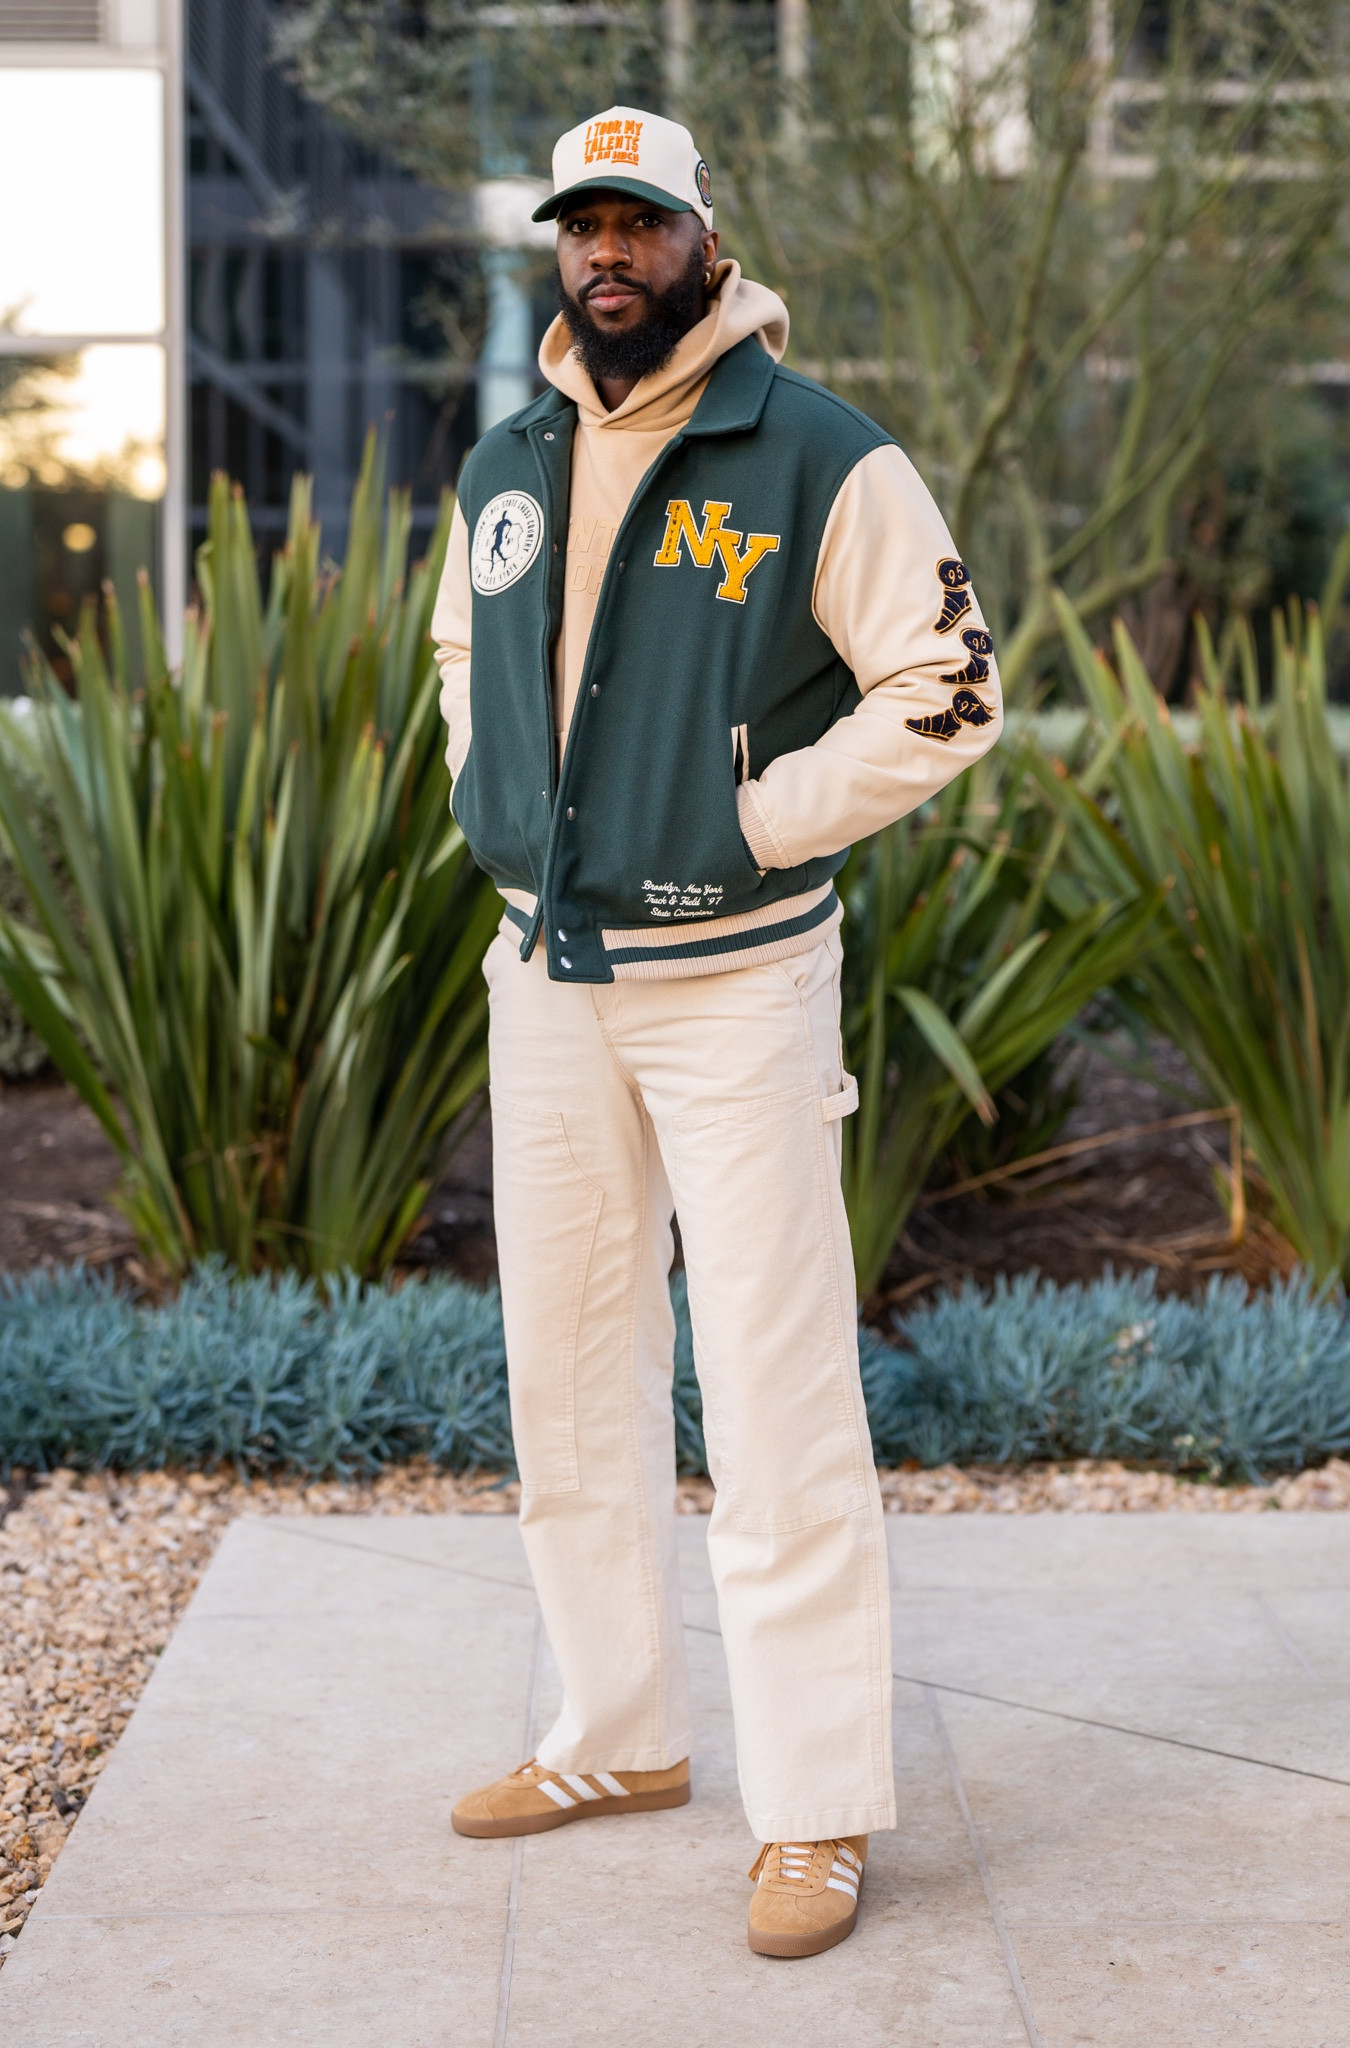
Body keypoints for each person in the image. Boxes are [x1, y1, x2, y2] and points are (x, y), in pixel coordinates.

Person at [432, 103, 1001, 1960]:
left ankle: (815, 1809)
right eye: (579, 224)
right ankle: (616, 1738)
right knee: (566, 1382)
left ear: (702, 236)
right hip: (546, 976)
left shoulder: (818, 451)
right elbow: (462, 656)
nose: (605, 252)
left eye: (638, 222)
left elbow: (948, 687)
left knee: (772, 1398)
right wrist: (489, 793)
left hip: (737, 982)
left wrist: (757, 820)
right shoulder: (507, 459)